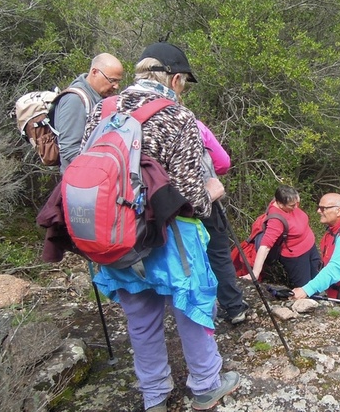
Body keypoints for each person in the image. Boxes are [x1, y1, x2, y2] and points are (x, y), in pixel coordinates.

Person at [82, 42, 240, 412]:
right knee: (192, 306)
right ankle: (205, 385)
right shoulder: (177, 116)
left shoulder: (103, 108)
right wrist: (211, 192)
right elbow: (189, 191)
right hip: (170, 234)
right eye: (184, 83)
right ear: (177, 78)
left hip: (114, 231)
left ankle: (154, 393)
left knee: (140, 315)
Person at [195, 119, 250, 324]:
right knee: (218, 253)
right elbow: (223, 163)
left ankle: (195, 310)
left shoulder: (132, 118)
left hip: (162, 202)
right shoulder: (193, 123)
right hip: (204, 198)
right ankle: (234, 306)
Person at [53, 52, 124, 172]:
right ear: (95, 72)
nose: (116, 86)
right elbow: (69, 149)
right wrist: (101, 169)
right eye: (112, 80)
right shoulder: (74, 100)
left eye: (118, 81)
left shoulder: (101, 97)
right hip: (79, 181)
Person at [245, 185, 321, 287]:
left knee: (318, 277)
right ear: (280, 204)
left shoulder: (287, 201)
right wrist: (255, 273)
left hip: (310, 247)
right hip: (296, 257)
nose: (296, 207)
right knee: (306, 286)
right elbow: (265, 247)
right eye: (292, 205)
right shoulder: (276, 220)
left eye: (297, 203)